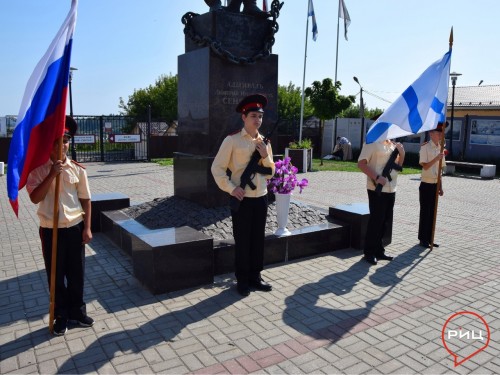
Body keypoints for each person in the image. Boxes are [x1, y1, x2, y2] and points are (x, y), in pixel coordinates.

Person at [26, 116, 94, 336]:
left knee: (77, 273)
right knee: (55, 275)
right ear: (49, 143)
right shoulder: (37, 170)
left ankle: (77, 311)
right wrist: (51, 174)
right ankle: (61, 315)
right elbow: (35, 198)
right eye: (56, 141)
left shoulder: (78, 170)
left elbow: (85, 200)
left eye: (65, 140)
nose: (61, 145)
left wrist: (87, 228)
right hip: (51, 230)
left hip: (75, 227)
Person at [211, 94, 275, 297]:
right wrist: (232, 188)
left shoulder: (265, 142)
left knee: (257, 239)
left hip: (261, 197)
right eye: (254, 115)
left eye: (260, 116)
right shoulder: (232, 140)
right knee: (243, 240)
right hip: (243, 199)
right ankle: (243, 280)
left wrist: (265, 156)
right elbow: (217, 169)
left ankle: (256, 277)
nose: (258, 120)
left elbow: (271, 171)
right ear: (244, 117)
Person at [357, 139, 405, 265]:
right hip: (376, 189)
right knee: (376, 221)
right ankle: (369, 252)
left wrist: (402, 153)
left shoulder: (392, 144)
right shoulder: (371, 142)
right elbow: (361, 164)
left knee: (385, 222)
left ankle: (379, 250)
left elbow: (398, 167)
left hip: (391, 188)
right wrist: (377, 177)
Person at [418, 122, 446, 248]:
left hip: (435, 184)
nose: (440, 135)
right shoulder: (425, 147)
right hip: (426, 184)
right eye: (438, 132)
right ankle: (423, 239)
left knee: (433, 213)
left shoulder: (440, 148)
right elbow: (425, 166)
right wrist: (436, 158)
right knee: (425, 212)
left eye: (441, 132)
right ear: (431, 133)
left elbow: (440, 169)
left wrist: (440, 186)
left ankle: (430, 237)